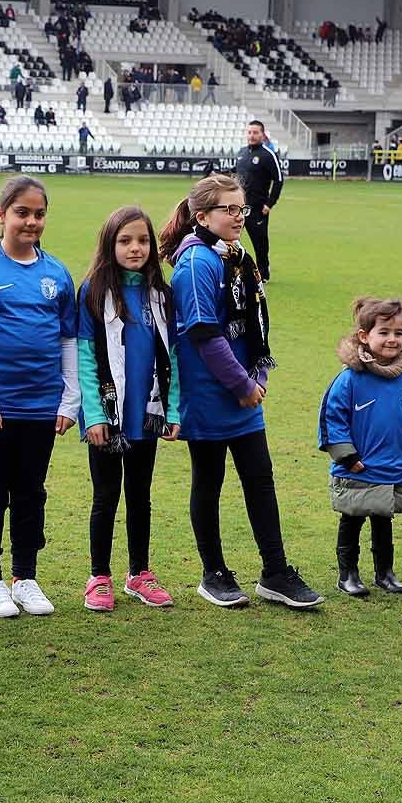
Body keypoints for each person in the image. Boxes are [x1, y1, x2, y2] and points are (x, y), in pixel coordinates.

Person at [160, 175, 324, 609]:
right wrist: (242, 385)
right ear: (202, 217)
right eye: (228, 210)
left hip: (245, 393)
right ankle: (212, 572)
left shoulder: (237, 256)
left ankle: (274, 572)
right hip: (211, 395)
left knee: (260, 480)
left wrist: (258, 380)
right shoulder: (196, 262)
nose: (238, 217)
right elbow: (203, 335)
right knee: (209, 481)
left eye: (241, 209)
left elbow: (253, 328)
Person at [0, 176, 79, 619]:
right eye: (22, 212)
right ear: (2, 214)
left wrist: (70, 399)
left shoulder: (56, 273)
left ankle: (25, 576)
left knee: (30, 492)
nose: (31, 221)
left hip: (42, 406)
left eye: (39, 214)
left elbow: (67, 340)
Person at [76, 206, 181, 612]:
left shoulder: (161, 294)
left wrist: (171, 411)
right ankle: (98, 576)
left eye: (142, 240)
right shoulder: (94, 292)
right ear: (110, 244)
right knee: (106, 496)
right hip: (109, 418)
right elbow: (85, 357)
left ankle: (139, 572)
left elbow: (172, 357)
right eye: (125, 240)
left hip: (146, 417)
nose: (135, 248)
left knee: (141, 496)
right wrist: (95, 415)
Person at [317, 298, 402, 596]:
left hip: (394, 467)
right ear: (364, 336)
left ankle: (385, 573)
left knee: (384, 520)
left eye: (398, 333)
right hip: (360, 467)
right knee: (353, 519)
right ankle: (348, 574)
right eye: (384, 332)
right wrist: (348, 456)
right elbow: (333, 418)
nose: (392, 339)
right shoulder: (350, 379)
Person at [238, 120, 283, 282]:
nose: (252, 135)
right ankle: (234, 271)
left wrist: (270, 203)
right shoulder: (241, 153)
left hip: (258, 208)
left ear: (262, 135)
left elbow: (278, 180)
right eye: (249, 132)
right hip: (239, 207)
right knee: (231, 239)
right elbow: (237, 178)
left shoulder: (267, 155)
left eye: (255, 132)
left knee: (260, 243)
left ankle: (263, 273)